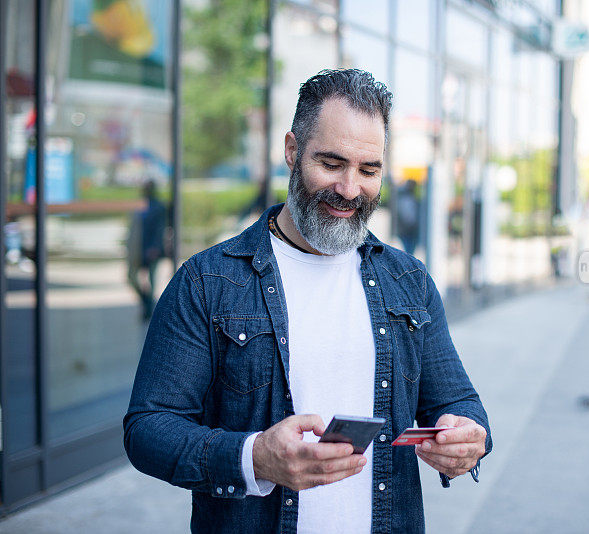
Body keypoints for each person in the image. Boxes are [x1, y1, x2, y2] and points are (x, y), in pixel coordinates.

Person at [123, 69, 491, 534]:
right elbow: (148, 429)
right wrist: (254, 458)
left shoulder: (409, 280)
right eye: (332, 164)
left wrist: (467, 438)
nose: (350, 188)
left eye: (369, 170)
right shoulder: (207, 281)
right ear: (292, 151)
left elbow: (459, 402)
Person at [126, 179, 166, 321]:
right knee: (131, 277)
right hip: (138, 249)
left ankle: (149, 307)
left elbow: (160, 229)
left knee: (151, 280)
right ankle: (147, 302)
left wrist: (155, 247)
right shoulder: (140, 206)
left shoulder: (158, 207)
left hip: (151, 249)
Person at [396, 179, 421, 255]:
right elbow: (408, 217)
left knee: (409, 251)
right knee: (409, 252)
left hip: (408, 231)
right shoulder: (406, 198)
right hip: (407, 231)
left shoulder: (406, 197)